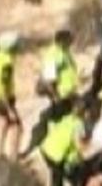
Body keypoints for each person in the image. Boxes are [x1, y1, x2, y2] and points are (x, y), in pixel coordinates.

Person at [21, 28, 79, 159]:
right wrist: (55, 97)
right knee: (55, 122)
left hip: (68, 95)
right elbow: (49, 79)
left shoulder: (64, 53)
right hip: (60, 96)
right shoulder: (54, 55)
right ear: (62, 41)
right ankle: (43, 148)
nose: (72, 42)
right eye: (70, 40)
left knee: (63, 122)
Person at [39, 95, 87, 186]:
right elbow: (79, 146)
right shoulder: (78, 124)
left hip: (46, 150)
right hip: (56, 156)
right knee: (58, 184)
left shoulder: (66, 119)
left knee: (59, 179)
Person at [0, 31, 23, 159]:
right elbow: (4, 85)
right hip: (3, 98)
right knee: (16, 126)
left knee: (2, 123)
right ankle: (13, 156)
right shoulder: (7, 62)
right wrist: (9, 108)